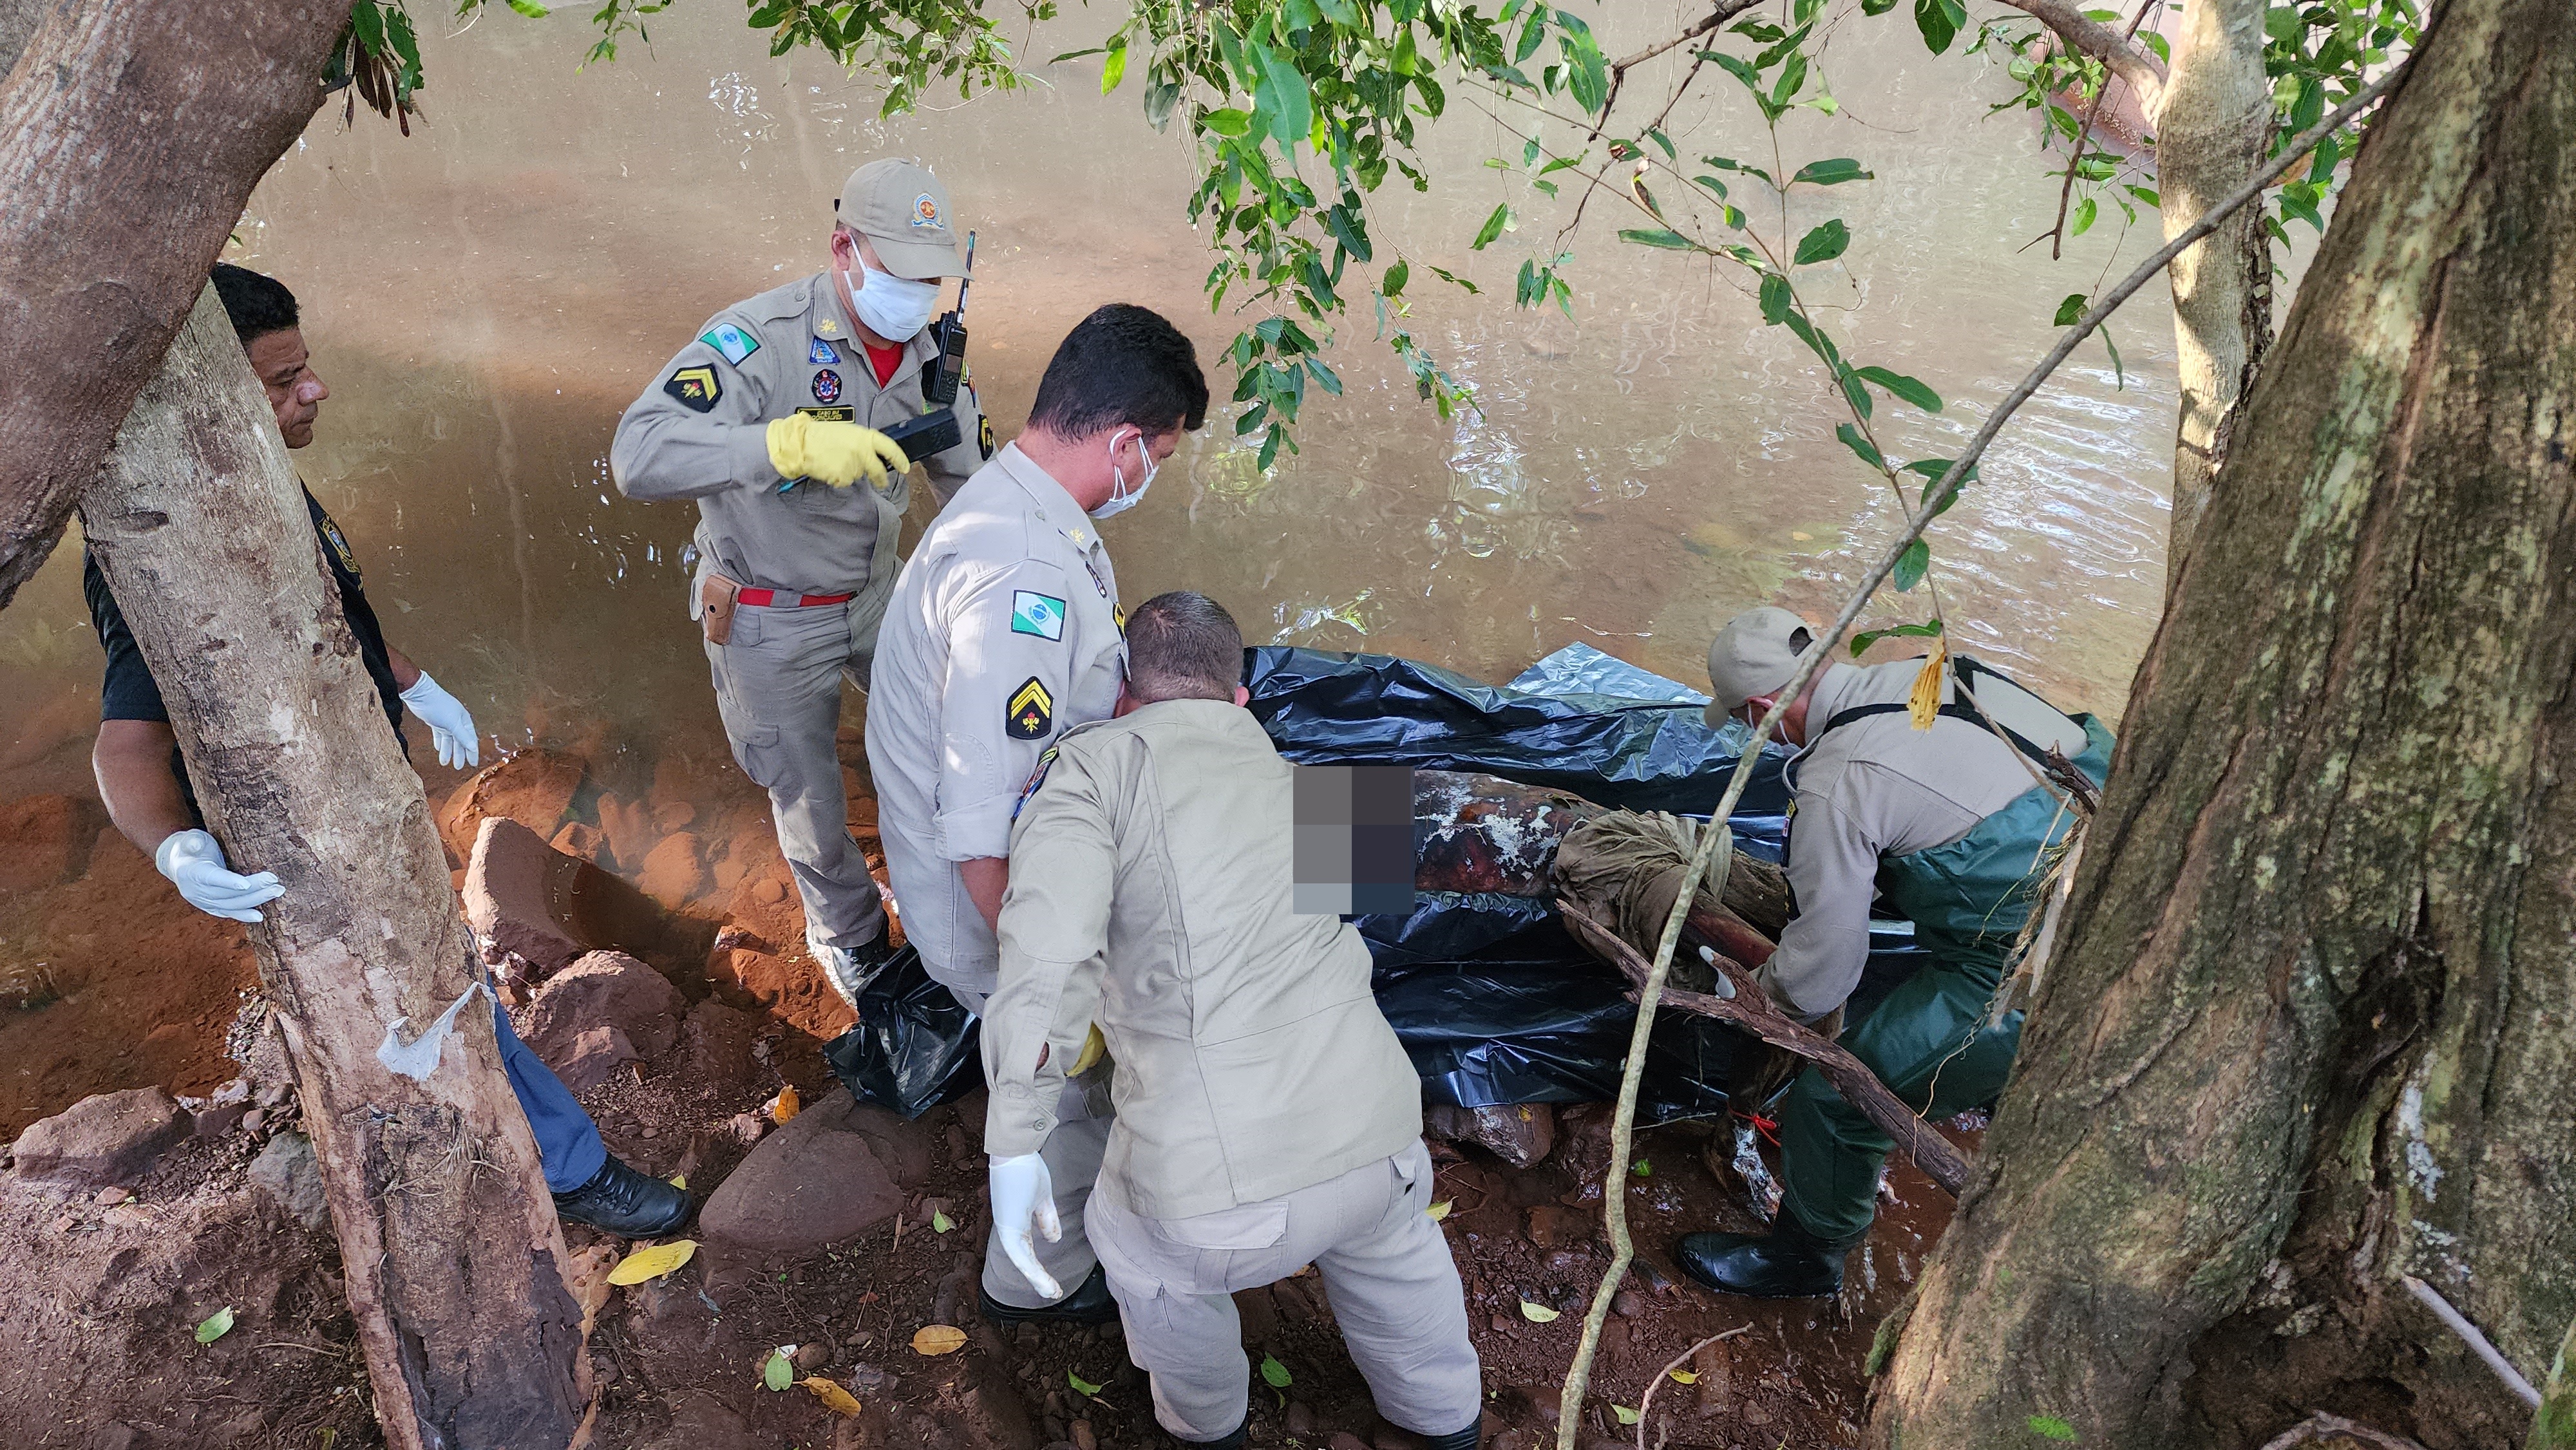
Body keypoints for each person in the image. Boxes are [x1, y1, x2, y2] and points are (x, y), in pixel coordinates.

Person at [86, 263, 688, 1238]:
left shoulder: (260, 477)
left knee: (437, 984)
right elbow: (125, 745)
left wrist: (412, 681)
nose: (312, 391)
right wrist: (172, 848)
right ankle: (571, 1171)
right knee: (442, 998)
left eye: (304, 369)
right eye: (283, 383)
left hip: (368, 800)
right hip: (311, 851)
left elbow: (333, 614)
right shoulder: (163, 553)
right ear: (213, 397)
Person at [985, 592, 1481, 1450]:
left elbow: (1049, 961)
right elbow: (1364, 924)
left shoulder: (1090, 772)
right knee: (1398, 1257)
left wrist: (1015, 1139)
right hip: (1380, 1141)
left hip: (1212, 1204)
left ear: (1124, 693)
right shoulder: (1317, 784)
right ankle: (1446, 1421)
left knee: (1136, 1249)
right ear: (1243, 697)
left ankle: (1207, 1425)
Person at [867, 303, 1207, 1324]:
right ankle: (1039, 1279)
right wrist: (1060, 1002)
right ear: (1122, 444)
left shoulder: (1018, 505)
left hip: (1031, 854)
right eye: (1162, 458)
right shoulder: (1022, 575)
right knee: (1086, 1086)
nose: (1154, 478)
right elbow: (983, 839)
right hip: (997, 903)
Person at [609, 158, 989, 1004]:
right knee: (810, 799)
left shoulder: (936, 355)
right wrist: (776, 447)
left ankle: (957, 905)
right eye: (900, 271)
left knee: (951, 743)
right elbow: (637, 454)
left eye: (933, 275)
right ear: (844, 249)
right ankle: (849, 939)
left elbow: (975, 492)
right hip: (769, 619)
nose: (918, 293)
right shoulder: (761, 341)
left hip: (880, 596)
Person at [1675, 606, 2113, 1297]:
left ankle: (1806, 1259)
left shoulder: (1835, 781)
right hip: (2115, 865)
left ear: (1764, 707)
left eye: (1742, 720)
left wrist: (1743, 993)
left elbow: (1819, 978)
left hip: (2052, 961)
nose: (1749, 732)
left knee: (1837, 1095)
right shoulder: (1926, 672)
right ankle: (2000, 1091)